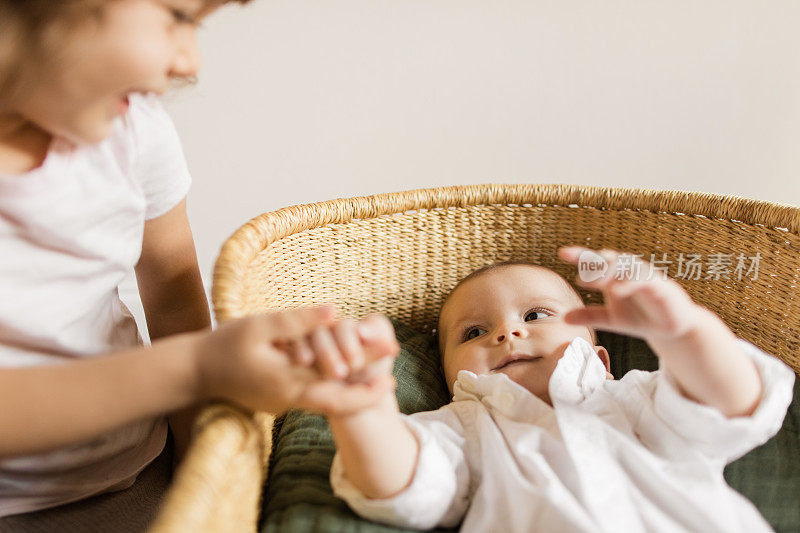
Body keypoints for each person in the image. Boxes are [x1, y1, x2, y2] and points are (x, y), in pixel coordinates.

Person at [0, 1, 395, 529]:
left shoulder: (134, 132)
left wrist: (199, 468)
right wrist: (197, 367)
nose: (190, 61)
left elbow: (171, 290)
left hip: (132, 478)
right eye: (179, 16)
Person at [303, 246, 795, 532]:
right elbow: (407, 485)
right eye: (473, 333)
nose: (506, 333)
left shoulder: (638, 399)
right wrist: (363, 410)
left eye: (535, 315)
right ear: (449, 378)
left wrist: (685, 330)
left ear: (602, 360)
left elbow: (733, 405)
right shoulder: (463, 427)